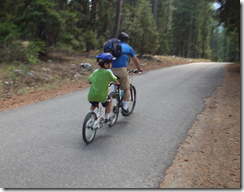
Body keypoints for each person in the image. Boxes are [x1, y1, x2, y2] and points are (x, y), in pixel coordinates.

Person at [111, 32, 142, 116]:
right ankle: (125, 108)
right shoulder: (128, 48)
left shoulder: (113, 46)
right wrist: (139, 69)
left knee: (116, 80)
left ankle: (114, 92)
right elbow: (136, 61)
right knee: (127, 87)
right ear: (126, 41)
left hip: (110, 70)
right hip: (122, 70)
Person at [88, 53, 120, 124]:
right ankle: (107, 118)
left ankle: (89, 115)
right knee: (110, 99)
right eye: (110, 63)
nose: (111, 65)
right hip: (102, 97)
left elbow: (89, 80)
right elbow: (115, 80)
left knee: (94, 102)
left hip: (91, 95)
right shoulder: (108, 72)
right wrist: (117, 83)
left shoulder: (95, 71)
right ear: (105, 64)